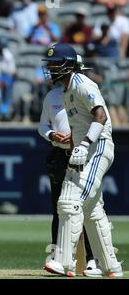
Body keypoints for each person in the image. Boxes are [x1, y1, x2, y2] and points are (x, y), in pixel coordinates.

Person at [42, 43, 123, 277]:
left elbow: (101, 116)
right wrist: (72, 144)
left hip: (98, 148)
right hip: (83, 149)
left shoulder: (82, 84)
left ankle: (64, 262)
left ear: (68, 66)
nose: (51, 68)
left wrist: (85, 144)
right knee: (92, 211)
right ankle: (111, 266)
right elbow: (80, 126)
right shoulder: (66, 91)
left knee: (70, 201)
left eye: (55, 64)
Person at [38, 63, 101, 276]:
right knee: (60, 208)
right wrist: (51, 135)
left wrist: (79, 141)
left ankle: (93, 260)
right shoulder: (52, 96)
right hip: (60, 154)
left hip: (84, 154)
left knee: (85, 209)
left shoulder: (86, 90)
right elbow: (42, 126)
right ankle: (60, 258)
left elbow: (99, 120)